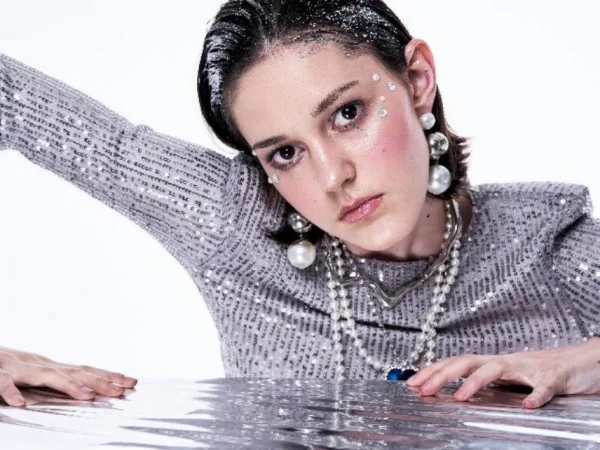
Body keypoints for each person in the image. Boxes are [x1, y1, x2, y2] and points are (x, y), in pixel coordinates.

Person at [1, 0, 599, 411]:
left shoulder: (552, 254)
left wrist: (582, 363)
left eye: (348, 114)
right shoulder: (234, 221)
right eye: (286, 153)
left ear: (418, 79)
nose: (333, 176)